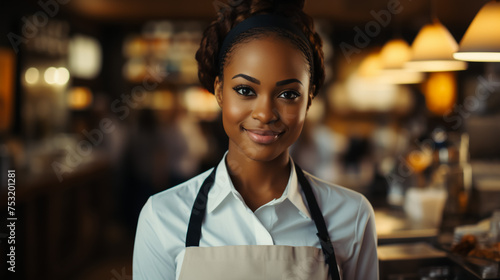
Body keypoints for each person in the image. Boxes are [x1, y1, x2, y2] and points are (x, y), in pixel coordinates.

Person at [133, 0, 378, 279]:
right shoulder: (162, 217)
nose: (264, 114)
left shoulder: (353, 216)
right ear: (219, 91)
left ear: (309, 100)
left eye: (288, 94)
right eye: (245, 90)